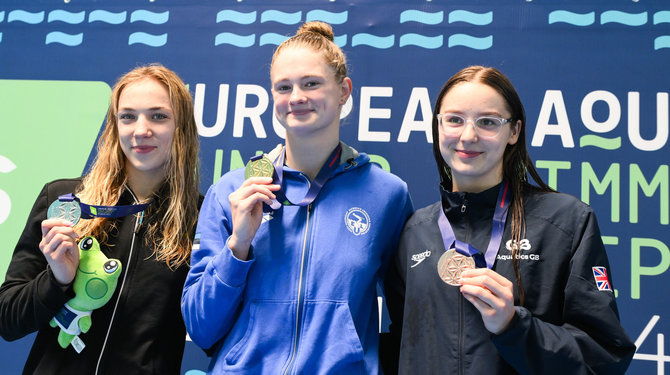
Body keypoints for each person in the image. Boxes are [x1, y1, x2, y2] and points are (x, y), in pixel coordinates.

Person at [181, 21, 413, 374]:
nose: (297, 98)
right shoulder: (232, 191)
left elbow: (408, 317)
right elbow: (200, 327)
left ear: (343, 91)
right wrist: (238, 245)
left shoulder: (386, 194)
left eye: (311, 84)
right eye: (283, 87)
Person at [382, 65, 636, 374]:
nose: (468, 135)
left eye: (488, 122)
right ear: (438, 127)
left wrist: (514, 326)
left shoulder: (566, 222)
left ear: (513, 131)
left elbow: (605, 356)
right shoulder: (414, 232)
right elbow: (403, 349)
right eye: (454, 120)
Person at [0, 64, 201, 374]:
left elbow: (211, 333)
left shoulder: (201, 219)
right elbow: (8, 319)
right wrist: (57, 281)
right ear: (114, 125)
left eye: (158, 116)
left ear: (182, 127)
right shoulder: (64, 200)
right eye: (128, 116)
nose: (141, 129)